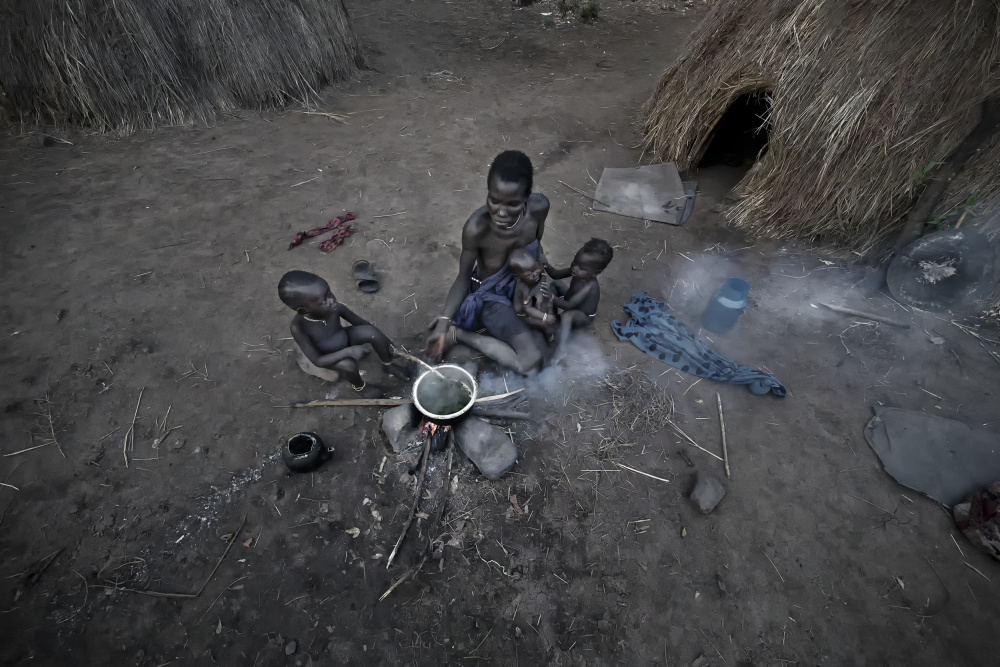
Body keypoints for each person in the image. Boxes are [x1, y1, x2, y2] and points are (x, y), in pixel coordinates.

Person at [423, 150, 551, 374]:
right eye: (493, 200)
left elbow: (537, 248)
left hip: (525, 282)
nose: (500, 212)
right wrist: (444, 324)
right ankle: (459, 334)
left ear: (527, 196)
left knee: (551, 335)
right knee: (531, 363)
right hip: (492, 298)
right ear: (488, 192)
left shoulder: (539, 208)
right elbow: (462, 279)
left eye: (512, 204)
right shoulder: (477, 229)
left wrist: (538, 285)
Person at [278, 270, 409, 394]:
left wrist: (386, 341)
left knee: (371, 332)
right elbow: (318, 360)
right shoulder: (299, 327)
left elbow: (362, 323)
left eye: (329, 293)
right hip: (330, 356)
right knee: (349, 365)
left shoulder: (336, 308)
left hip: (345, 337)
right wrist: (349, 352)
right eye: (324, 301)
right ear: (303, 310)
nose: (331, 300)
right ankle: (360, 388)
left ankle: (388, 365)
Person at [544, 238, 614, 362]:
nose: (575, 268)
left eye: (581, 267)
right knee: (555, 284)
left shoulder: (589, 286)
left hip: (582, 316)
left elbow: (569, 306)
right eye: (574, 262)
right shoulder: (578, 272)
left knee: (568, 316)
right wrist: (546, 265)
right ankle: (552, 317)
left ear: (595, 273)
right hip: (571, 301)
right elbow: (555, 275)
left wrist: (552, 297)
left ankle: (561, 349)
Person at [510, 248, 558, 334]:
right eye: (529, 275)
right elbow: (528, 309)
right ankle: (549, 338)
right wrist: (545, 317)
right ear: (519, 277)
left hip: (534, 303)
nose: (535, 274)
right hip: (525, 314)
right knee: (544, 324)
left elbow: (541, 267)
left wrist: (543, 264)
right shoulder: (522, 286)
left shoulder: (534, 268)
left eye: (535, 268)